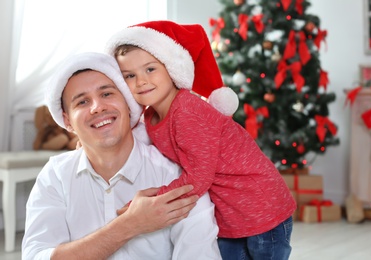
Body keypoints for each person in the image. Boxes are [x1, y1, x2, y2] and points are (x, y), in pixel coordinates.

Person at [106, 20, 297, 260]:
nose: (141, 81)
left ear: (170, 67)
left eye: (150, 69)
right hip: (231, 213)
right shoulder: (152, 115)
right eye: (129, 75)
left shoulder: (187, 111)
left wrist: (153, 200)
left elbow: (198, 177)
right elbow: (139, 143)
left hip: (261, 207)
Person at [21, 52, 222, 260]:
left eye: (107, 94)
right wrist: (129, 225)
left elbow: (200, 254)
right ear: (67, 121)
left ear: (128, 103)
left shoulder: (176, 175)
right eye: (82, 102)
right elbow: (36, 256)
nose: (97, 107)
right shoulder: (55, 176)